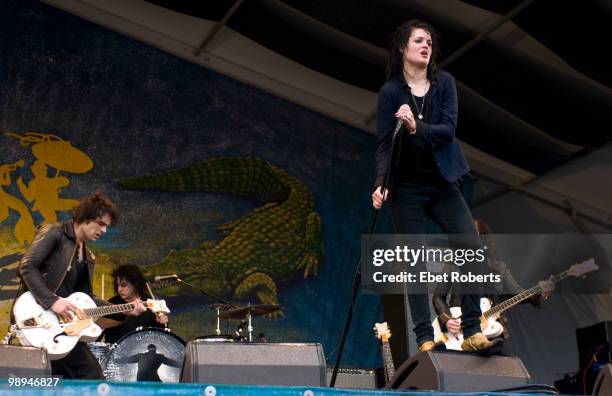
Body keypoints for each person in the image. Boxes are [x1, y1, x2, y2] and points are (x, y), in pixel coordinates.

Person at [371, 19, 499, 353]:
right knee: (413, 261)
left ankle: (471, 329)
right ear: (403, 48)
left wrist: (417, 127)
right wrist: (380, 183)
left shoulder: (444, 84)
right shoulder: (390, 93)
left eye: (429, 42)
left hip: (442, 183)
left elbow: (447, 131)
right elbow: (384, 144)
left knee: (471, 247)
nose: (426, 46)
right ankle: (425, 337)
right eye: (418, 41)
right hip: (406, 188)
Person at [14, 191, 146, 379]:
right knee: (91, 376)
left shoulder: (88, 257)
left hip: (63, 329)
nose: (104, 230)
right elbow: (27, 266)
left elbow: (88, 300)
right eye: (101, 224)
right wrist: (52, 301)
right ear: (85, 218)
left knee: (65, 380)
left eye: (107, 226)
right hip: (39, 318)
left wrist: (124, 310)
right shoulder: (55, 233)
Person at [433, 219, 554, 349]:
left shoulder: (498, 267)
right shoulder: (453, 264)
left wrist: (537, 294)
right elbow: (438, 297)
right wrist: (447, 320)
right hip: (460, 328)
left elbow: (518, 292)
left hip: (491, 328)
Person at [101, 264, 168, 344]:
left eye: (124, 285)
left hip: (141, 351)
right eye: (117, 285)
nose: (119, 289)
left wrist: (160, 323)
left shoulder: (149, 302)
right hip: (115, 351)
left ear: (136, 284)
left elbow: (159, 336)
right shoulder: (112, 303)